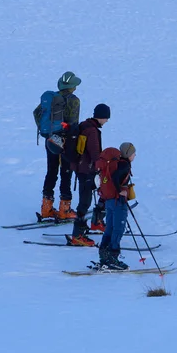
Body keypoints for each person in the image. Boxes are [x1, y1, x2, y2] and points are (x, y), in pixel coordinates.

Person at [38, 71, 81, 220]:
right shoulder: (74, 100)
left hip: (50, 139)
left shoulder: (51, 98)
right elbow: (73, 123)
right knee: (66, 173)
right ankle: (65, 209)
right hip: (65, 141)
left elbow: (38, 114)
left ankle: (46, 207)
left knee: (51, 171)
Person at [67, 104, 109, 246]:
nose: (107, 121)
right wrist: (101, 167)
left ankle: (94, 223)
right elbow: (94, 153)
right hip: (86, 169)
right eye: (106, 118)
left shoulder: (84, 126)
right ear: (102, 117)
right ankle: (77, 235)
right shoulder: (92, 131)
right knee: (85, 201)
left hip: (81, 168)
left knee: (90, 196)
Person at [97, 142, 136, 270]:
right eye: (133, 153)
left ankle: (104, 256)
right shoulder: (124, 165)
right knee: (118, 229)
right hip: (118, 201)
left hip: (109, 200)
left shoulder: (116, 163)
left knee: (110, 228)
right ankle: (113, 258)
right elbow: (115, 177)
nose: (135, 155)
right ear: (128, 154)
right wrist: (121, 190)